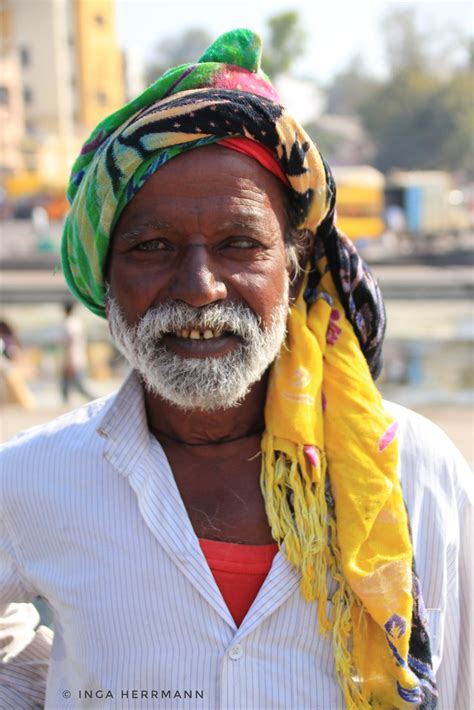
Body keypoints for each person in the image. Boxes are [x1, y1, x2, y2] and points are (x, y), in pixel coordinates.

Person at [0, 29, 471, 710]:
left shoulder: (416, 472)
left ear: (293, 264)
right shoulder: (37, 478)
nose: (199, 286)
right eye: (153, 245)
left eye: (240, 244)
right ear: (105, 277)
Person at [60, 300, 94, 403]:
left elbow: (70, 343)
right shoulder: (78, 322)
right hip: (79, 357)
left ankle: (96, 400)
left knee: (80, 386)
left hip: (73, 359)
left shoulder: (69, 323)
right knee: (66, 384)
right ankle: (65, 403)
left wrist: (69, 362)